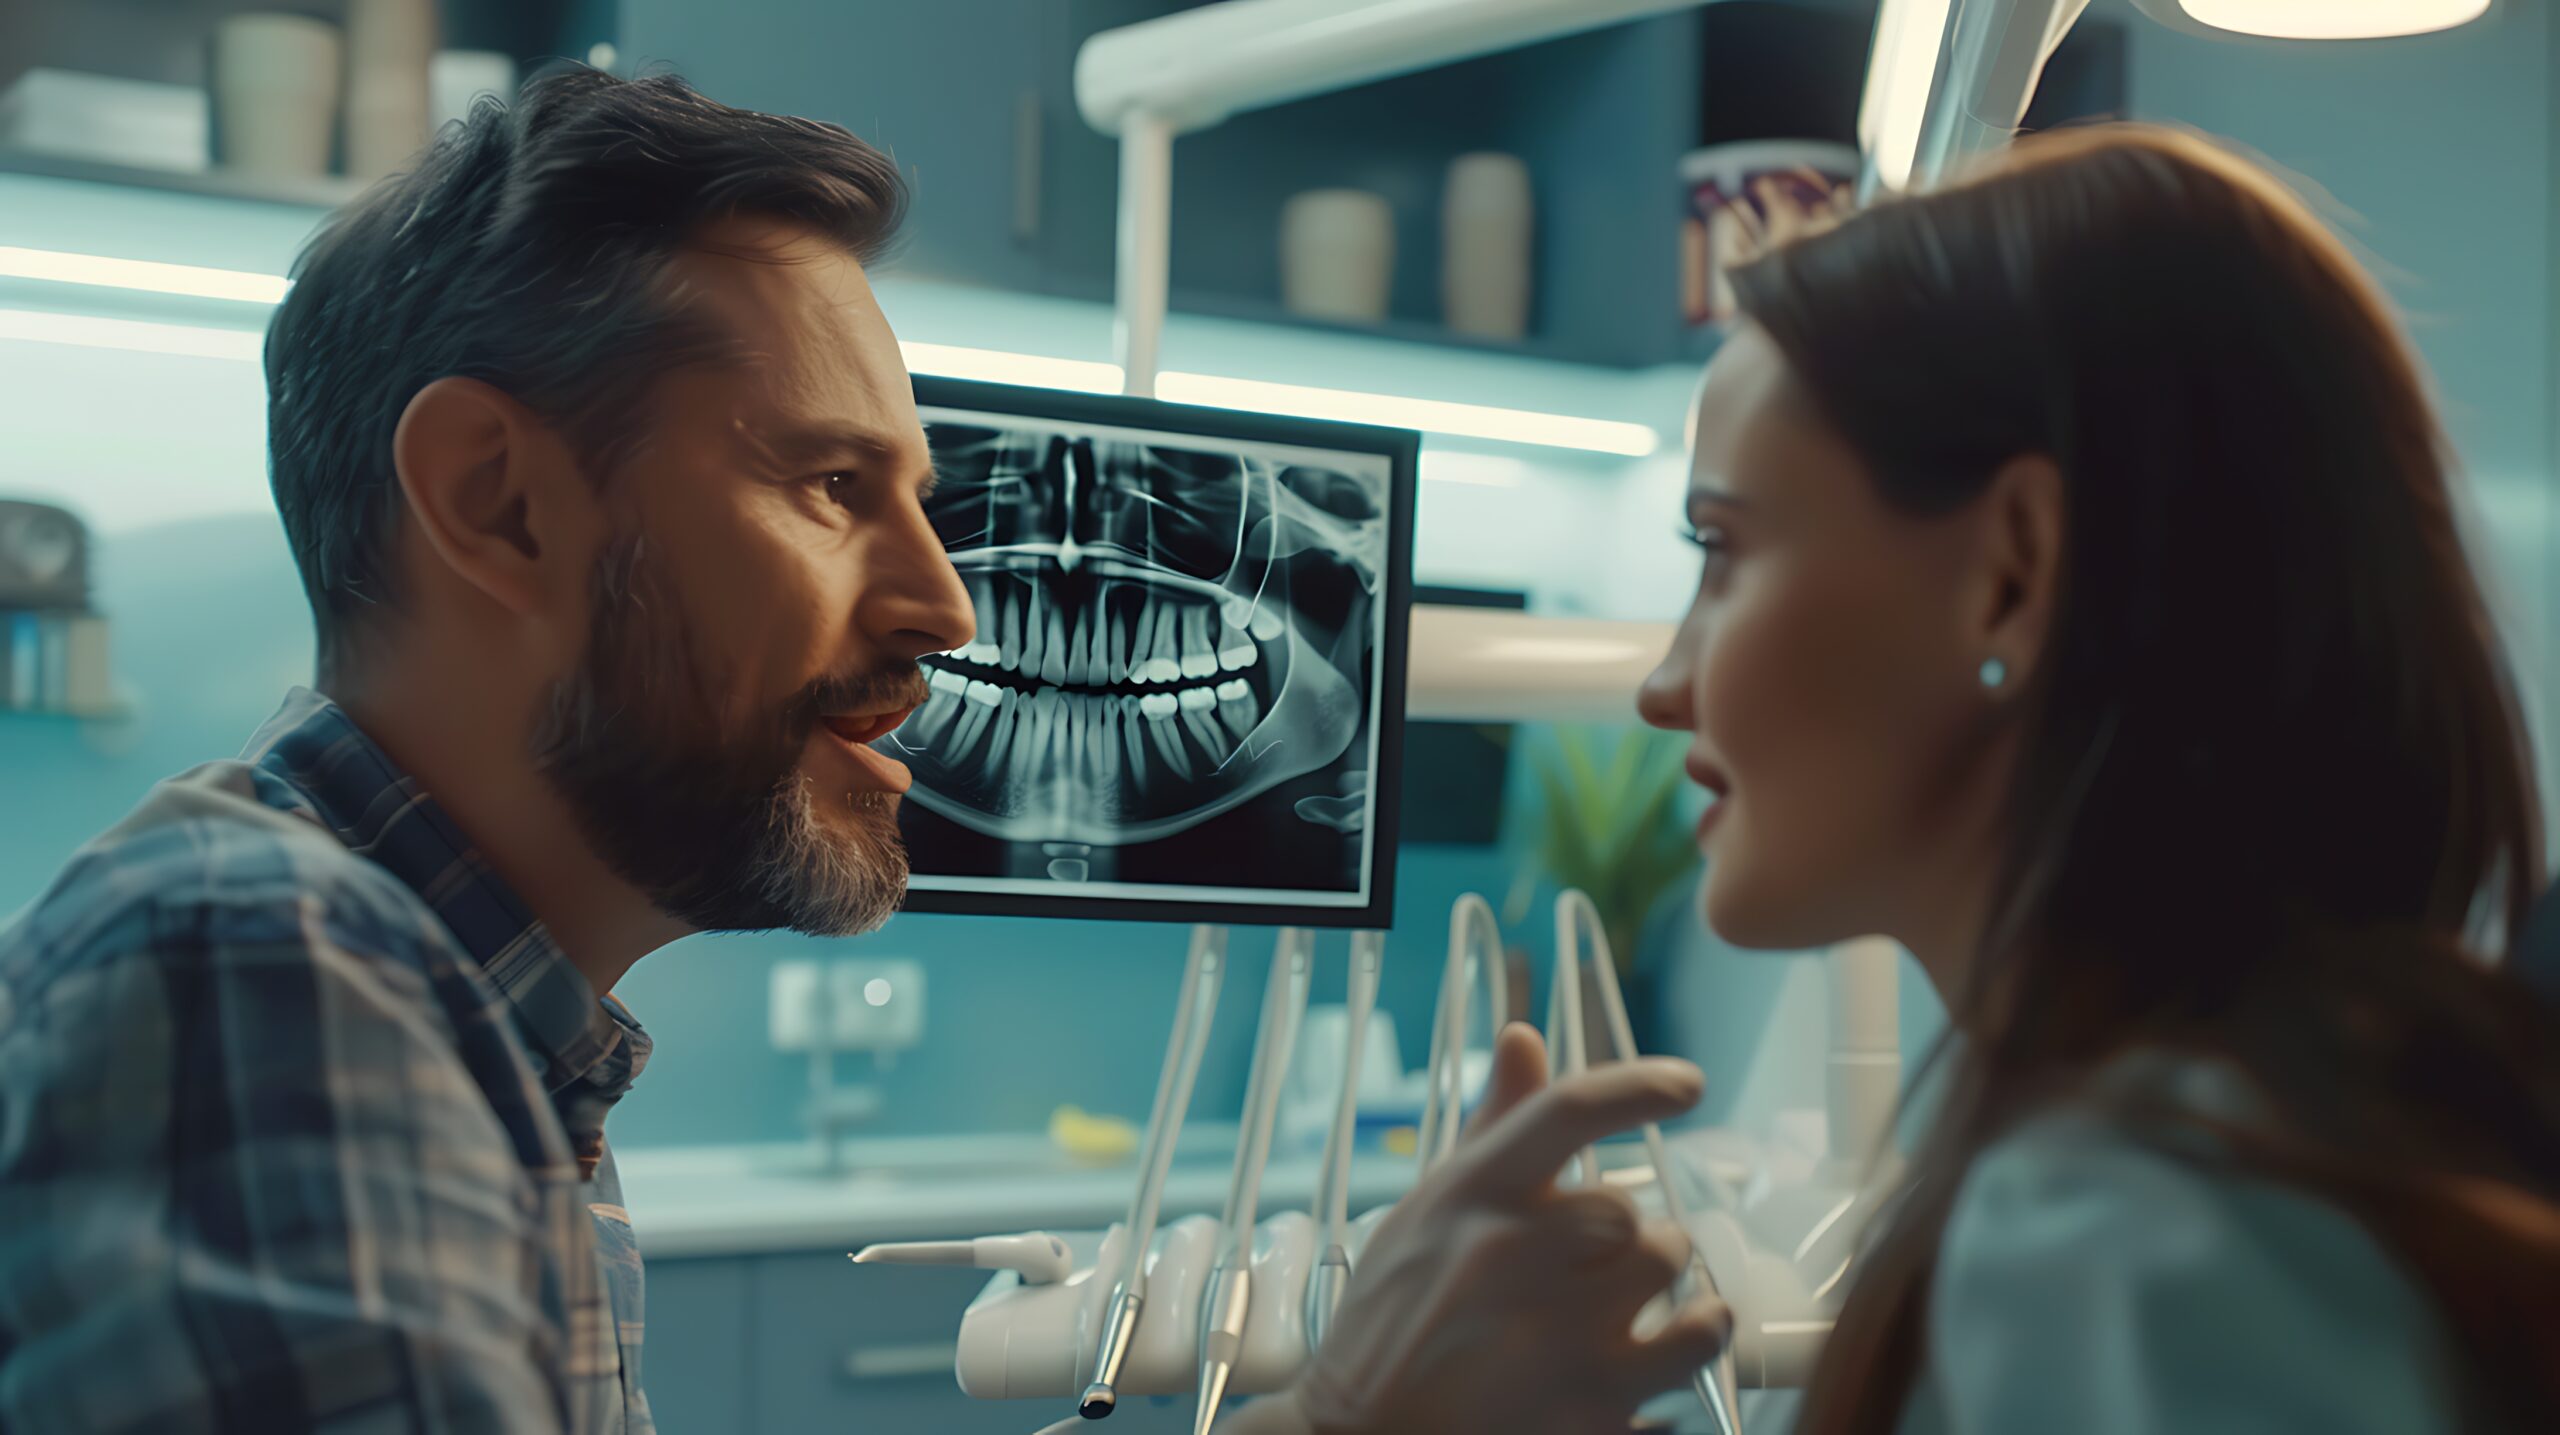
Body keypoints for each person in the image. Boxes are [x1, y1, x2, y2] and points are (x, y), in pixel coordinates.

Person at [0, 70, 1726, 1434]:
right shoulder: (264, 964)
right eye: (832, 489)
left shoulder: (484, 1037)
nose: (947, 606)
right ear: (496, 503)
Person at [1638, 124, 2560, 1433]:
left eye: (1722, 550)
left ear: (2009, 575)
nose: (1663, 682)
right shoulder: (2332, 1133)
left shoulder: (2128, 1243)